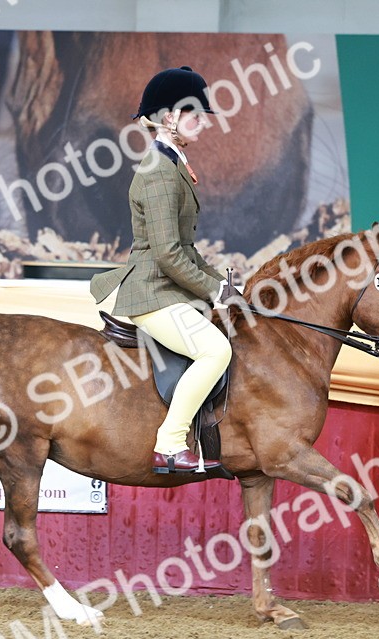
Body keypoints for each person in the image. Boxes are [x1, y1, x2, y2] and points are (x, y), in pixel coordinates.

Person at [90, 66, 243, 474]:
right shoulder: (158, 171)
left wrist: (223, 284)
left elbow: (186, 249)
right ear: (169, 117)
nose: (203, 122)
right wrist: (214, 292)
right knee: (216, 350)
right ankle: (171, 443)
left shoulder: (173, 163)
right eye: (194, 113)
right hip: (152, 291)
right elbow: (168, 255)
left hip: (169, 287)